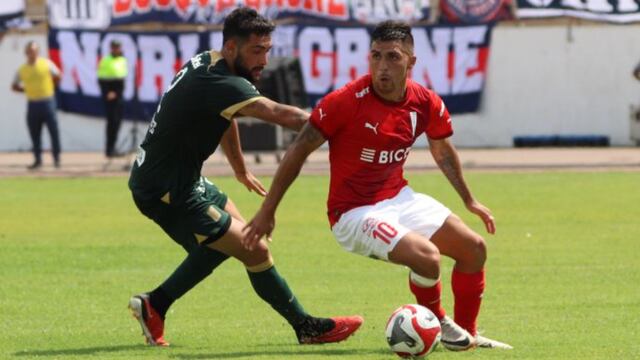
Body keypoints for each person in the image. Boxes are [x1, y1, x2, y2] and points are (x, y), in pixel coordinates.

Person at [244, 21, 512, 351]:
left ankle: (467, 337)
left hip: (399, 198)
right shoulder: (344, 101)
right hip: (353, 213)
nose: (382, 67)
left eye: (393, 58)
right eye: (376, 56)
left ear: (411, 62)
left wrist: (469, 200)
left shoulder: (425, 102)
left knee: (474, 249)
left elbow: (442, 149)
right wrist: (268, 210)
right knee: (427, 258)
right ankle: (438, 322)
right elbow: (298, 149)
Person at [127, 7, 362, 347]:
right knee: (254, 248)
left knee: (234, 238)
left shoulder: (209, 63)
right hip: (166, 189)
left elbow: (225, 114)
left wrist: (239, 168)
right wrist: (341, 124)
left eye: (267, 50)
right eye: (257, 51)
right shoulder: (220, 80)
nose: (264, 60)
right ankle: (306, 327)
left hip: (179, 178)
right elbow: (277, 113)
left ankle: (155, 304)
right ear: (233, 47)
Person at [11, 41, 62, 169]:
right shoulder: (22, 69)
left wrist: (52, 86)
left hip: (48, 101)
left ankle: (56, 159)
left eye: (34, 51)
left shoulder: (46, 63)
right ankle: (37, 160)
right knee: (35, 133)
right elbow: (14, 85)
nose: (32, 53)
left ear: (38, 52)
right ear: (26, 53)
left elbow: (58, 75)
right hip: (33, 103)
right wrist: (25, 90)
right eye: (29, 51)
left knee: (53, 131)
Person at [97, 39, 128, 158]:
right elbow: (101, 79)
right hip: (110, 96)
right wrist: (108, 93)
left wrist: (117, 92)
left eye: (118, 47)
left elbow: (122, 79)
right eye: (114, 47)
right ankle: (109, 149)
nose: (116, 49)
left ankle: (113, 147)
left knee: (118, 122)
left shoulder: (122, 59)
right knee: (112, 122)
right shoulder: (106, 60)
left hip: (119, 95)